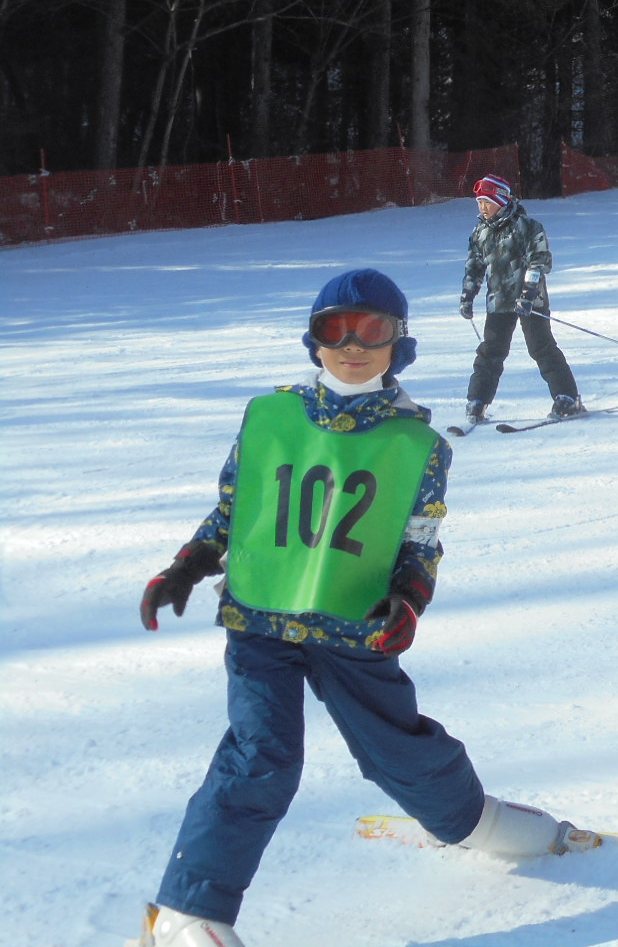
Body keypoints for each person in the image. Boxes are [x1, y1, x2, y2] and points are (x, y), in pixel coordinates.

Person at [132, 269, 588, 947]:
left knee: (398, 749)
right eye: (333, 330)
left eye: (371, 330)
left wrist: (407, 603)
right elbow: (232, 509)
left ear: (398, 344)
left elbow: (420, 544)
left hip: (353, 624)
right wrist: (189, 564)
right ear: (313, 341)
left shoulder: (416, 445)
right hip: (261, 620)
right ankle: (187, 915)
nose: (351, 345)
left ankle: (473, 823)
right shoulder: (270, 414)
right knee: (261, 757)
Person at [459, 174, 584, 424]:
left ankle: (567, 397)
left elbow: (540, 261)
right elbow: (474, 267)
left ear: (502, 200)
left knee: (541, 347)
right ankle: (477, 401)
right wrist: (468, 295)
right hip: (499, 301)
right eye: (479, 203)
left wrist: (528, 294)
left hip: (531, 301)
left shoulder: (528, 227)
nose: (483, 208)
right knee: (491, 351)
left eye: (488, 202)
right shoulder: (480, 233)